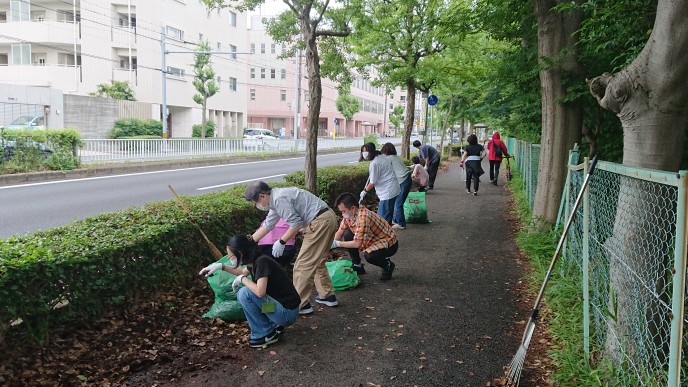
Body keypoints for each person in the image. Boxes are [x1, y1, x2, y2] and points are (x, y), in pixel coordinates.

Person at [245, 181, 338, 315]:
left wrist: (281, 241)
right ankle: (327, 295)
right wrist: (249, 242)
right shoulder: (276, 201)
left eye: (255, 202)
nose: (255, 206)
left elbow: (296, 224)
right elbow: (268, 225)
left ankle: (297, 305)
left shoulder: (279, 199)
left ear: (262, 196)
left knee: (302, 266)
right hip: (327, 218)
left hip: (318, 223)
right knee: (317, 261)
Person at [198, 235, 300, 348]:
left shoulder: (262, 262)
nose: (230, 258)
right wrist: (221, 266)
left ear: (240, 253)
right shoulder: (255, 261)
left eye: (231, 256)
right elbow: (241, 272)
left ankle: (266, 333)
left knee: (245, 293)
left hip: (286, 313)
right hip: (282, 309)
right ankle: (272, 325)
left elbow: (260, 292)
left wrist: (243, 280)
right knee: (248, 293)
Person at [331, 192, 398, 280]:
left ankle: (387, 265)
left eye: (343, 211)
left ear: (353, 208)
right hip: (371, 239)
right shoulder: (350, 214)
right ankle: (357, 265)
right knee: (347, 233)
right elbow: (340, 231)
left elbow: (357, 244)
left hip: (389, 243)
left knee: (370, 256)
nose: (343, 214)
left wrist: (337, 244)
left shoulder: (364, 217)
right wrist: (331, 244)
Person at [360, 142, 400, 225]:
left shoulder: (375, 163)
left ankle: (385, 236)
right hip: (392, 189)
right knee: (386, 217)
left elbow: (372, 182)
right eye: (363, 151)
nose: (364, 153)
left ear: (371, 151)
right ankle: (389, 235)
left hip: (388, 192)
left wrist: (365, 191)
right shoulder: (379, 157)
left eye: (366, 151)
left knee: (381, 220)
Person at [380, 142, 412, 230]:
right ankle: (396, 220)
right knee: (397, 201)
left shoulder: (388, 159)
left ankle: (401, 223)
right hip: (406, 179)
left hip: (402, 181)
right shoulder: (395, 157)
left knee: (398, 203)